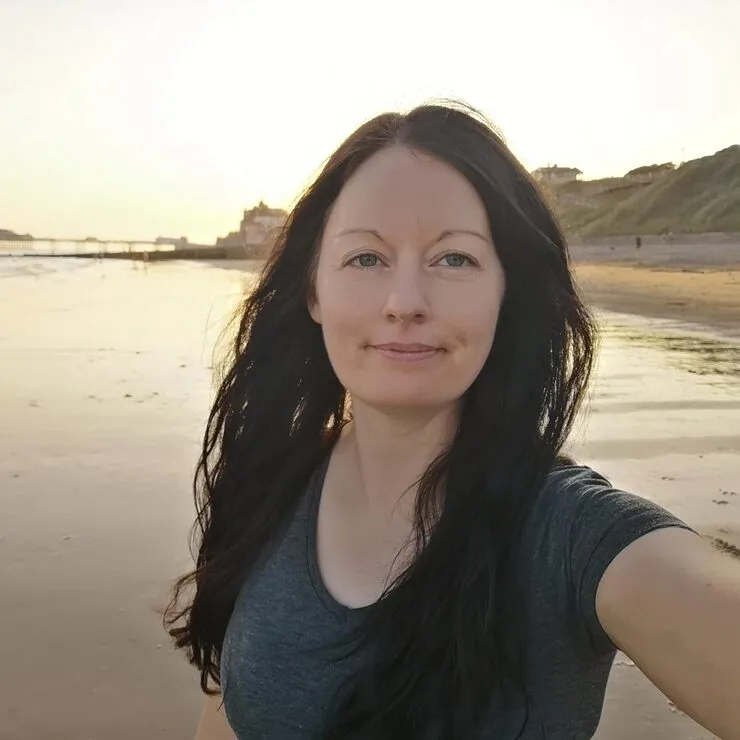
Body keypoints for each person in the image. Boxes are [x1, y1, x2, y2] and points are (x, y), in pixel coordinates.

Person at [164, 102, 740, 739]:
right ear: (313, 291)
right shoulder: (268, 483)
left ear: (506, 292)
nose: (405, 302)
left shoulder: (571, 536)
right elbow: (227, 708)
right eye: (365, 258)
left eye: (454, 259)